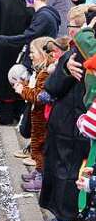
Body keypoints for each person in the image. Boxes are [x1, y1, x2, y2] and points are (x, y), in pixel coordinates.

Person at [39, 6, 94, 221]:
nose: (69, 30)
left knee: (66, 167)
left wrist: (62, 67)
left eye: (72, 25)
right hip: (78, 118)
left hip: (72, 118)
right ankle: (74, 213)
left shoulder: (81, 50)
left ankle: (65, 217)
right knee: (77, 167)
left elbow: (55, 85)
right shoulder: (79, 51)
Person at [16, 36, 64, 193]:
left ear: (44, 53)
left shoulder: (45, 74)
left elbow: (39, 96)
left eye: (32, 52)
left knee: (41, 147)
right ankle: (38, 171)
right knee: (37, 146)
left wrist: (22, 90)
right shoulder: (40, 71)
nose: (30, 55)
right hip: (38, 118)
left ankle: (42, 178)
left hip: (43, 119)